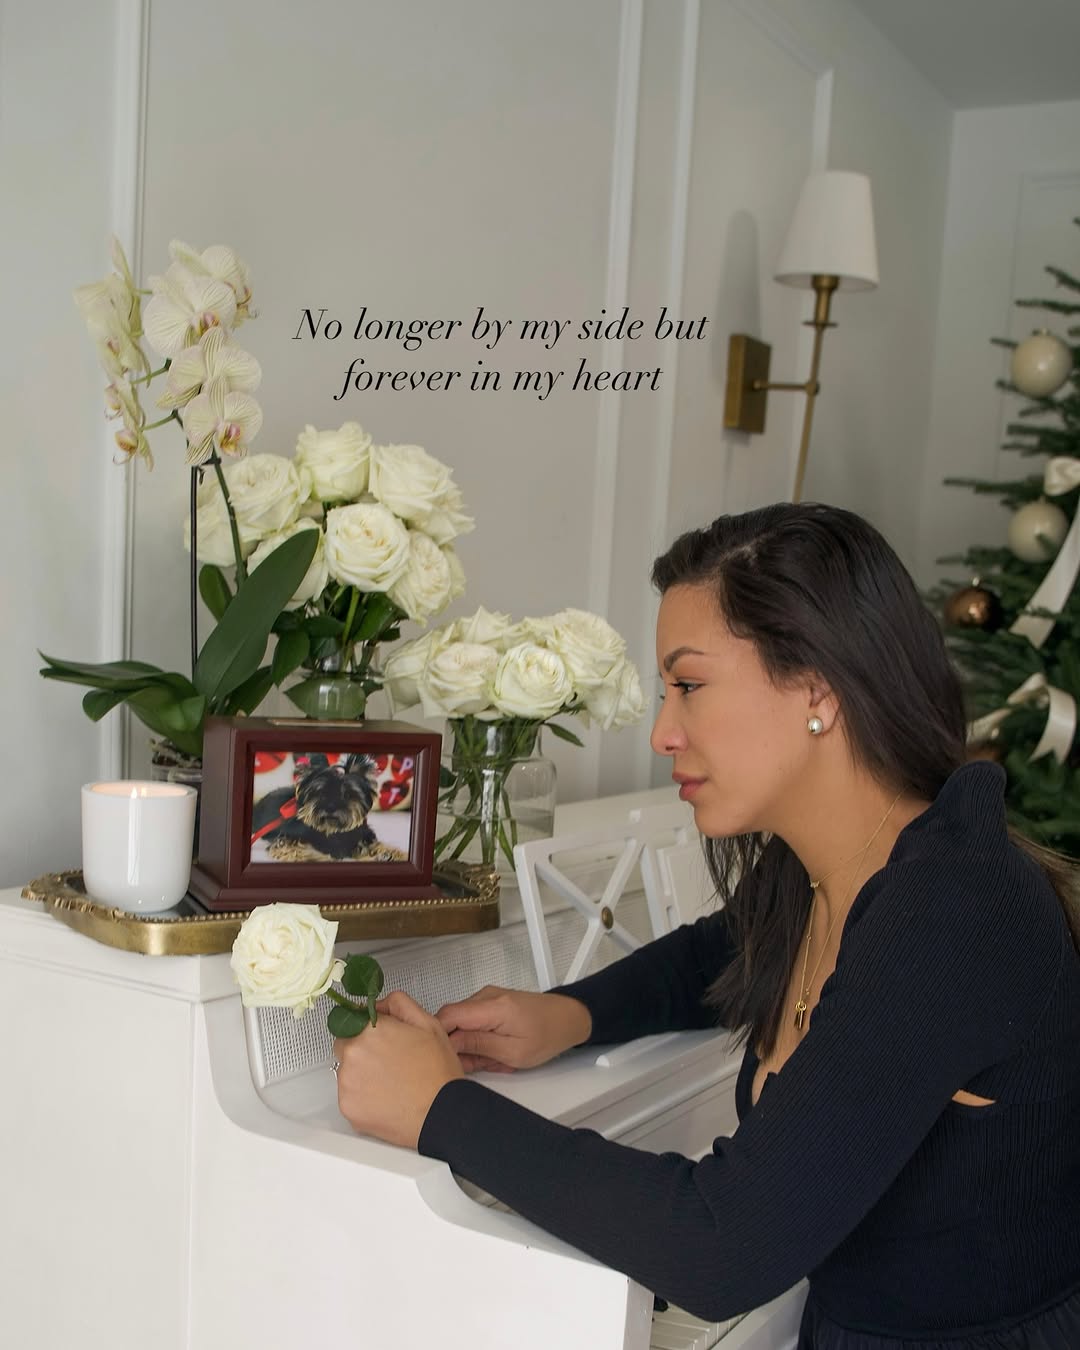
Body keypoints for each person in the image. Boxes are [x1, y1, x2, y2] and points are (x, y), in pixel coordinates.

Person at [334, 502, 1080, 1348]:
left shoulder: (954, 911)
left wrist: (441, 1109)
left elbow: (724, 1245)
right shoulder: (826, 864)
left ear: (817, 689)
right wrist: (569, 1014)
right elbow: (716, 955)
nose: (662, 732)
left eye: (688, 686)